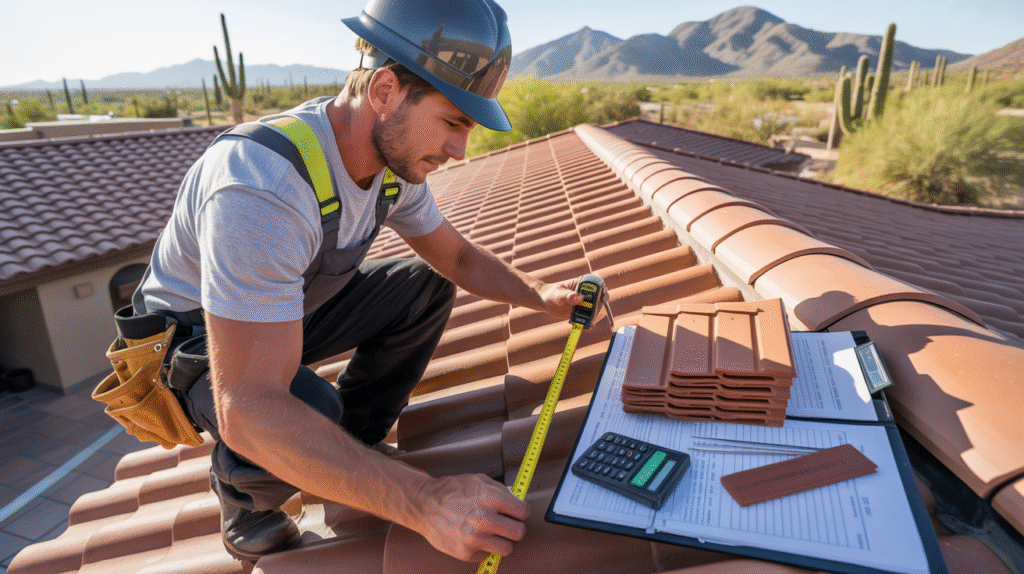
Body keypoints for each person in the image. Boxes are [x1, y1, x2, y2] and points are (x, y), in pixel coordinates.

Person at [125, 0, 587, 564]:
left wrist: (542, 295)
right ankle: (246, 498)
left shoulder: (394, 164)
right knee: (301, 409)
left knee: (425, 283)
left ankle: (353, 443)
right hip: (193, 339)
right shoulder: (262, 187)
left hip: (289, 304)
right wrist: (425, 503)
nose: (459, 150)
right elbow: (246, 406)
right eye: (453, 123)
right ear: (386, 91)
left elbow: (460, 260)